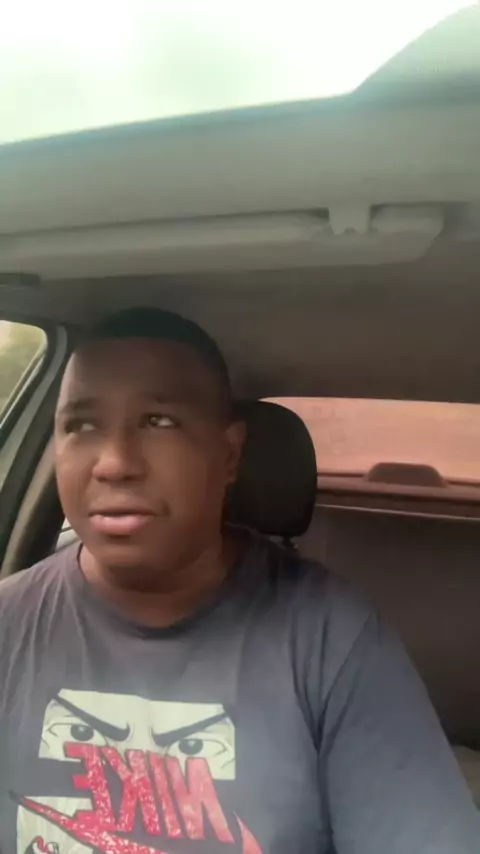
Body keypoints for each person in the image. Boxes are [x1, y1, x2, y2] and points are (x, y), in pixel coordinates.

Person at [0, 307, 477, 854]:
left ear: (228, 455)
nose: (113, 463)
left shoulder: (332, 642)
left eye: (158, 421)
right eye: (82, 425)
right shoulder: (9, 623)